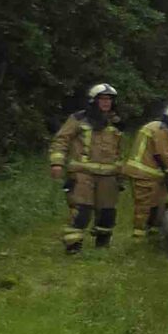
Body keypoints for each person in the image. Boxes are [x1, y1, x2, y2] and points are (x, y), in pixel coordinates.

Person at [48, 82, 127, 254]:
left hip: (108, 176)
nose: (107, 103)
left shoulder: (115, 123)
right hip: (83, 175)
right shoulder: (78, 119)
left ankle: (102, 245)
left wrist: (120, 176)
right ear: (93, 101)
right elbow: (61, 140)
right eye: (103, 99)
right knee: (81, 210)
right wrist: (57, 163)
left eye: (110, 100)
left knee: (107, 213)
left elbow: (118, 152)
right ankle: (73, 246)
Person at [125, 101, 168, 240]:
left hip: (153, 176)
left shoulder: (159, 127)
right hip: (144, 175)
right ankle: (138, 241)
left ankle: (153, 239)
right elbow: (162, 155)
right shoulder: (161, 130)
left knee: (159, 208)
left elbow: (160, 159)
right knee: (144, 210)